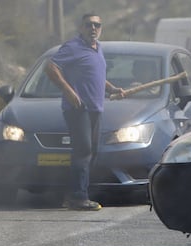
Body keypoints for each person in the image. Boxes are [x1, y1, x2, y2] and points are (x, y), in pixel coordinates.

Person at [45, 13, 125, 211]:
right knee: (83, 152)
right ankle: (79, 197)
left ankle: (73, 193)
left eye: (97, 25)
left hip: (95, 108)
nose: (93, 28)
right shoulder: (73, 47)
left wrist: (112, 89)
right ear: (81, 27)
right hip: (78, 109)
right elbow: (51, 67)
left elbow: (95, 76)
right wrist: (68, 90)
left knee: (91, 152)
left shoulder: (98, 49)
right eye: (89, 24)